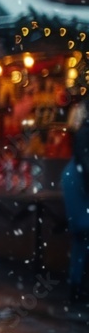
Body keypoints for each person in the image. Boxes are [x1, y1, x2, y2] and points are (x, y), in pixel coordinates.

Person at [65, 105, 89, 303]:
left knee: (82, 239)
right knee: (83, 235)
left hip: (77, 181)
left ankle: (77, 285)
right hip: (79, 184)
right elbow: (85, 164)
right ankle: (78, 286)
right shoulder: (85, 134)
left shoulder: (83, 132)